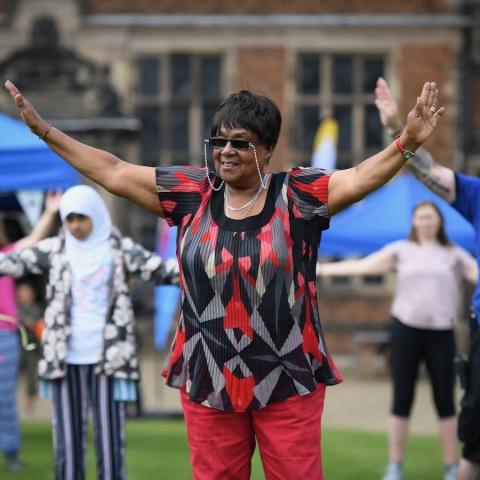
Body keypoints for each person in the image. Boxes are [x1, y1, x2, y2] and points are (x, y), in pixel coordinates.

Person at [4, 78, 443, 480]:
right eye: (219, 141)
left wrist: (406, 142)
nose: (226, 151)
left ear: (267, 149)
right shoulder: (193, 193)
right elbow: (115, 171)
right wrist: (45, 132)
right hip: (208, 375)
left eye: (241, 142)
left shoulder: (298, 196)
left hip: (287, 376)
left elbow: (362, 176)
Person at [0, 185, 178, 480]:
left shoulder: (119, 249)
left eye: (81, 218)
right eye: (69, 219)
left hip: (108, 358)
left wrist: (206, 261)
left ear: (96, 214)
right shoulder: (55, 249)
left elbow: (162, 270)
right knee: (67, 442)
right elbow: (9, 262)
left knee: (110, 439)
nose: (75, 226)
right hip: (65, 358)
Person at [317, 200, 477, 480]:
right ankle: (395, 466)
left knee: (446, 401)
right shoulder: (401, 251)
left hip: (442, 333)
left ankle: (452, 466)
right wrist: (320, 270)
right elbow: (364, 267)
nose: (426, 221)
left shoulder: (454, 254)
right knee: (402, 397)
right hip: (406, 331)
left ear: (439, 221)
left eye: (430, 217)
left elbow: (476, 275)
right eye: (420, 217)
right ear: (413, 222)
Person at [374, 77, 480, 480]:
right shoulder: (476, 195)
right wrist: (395, 130)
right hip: (471, 329)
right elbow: (428, 172)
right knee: (474, 429)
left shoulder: (452, 253)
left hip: (443, 330)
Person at [0, 191, 61, 471]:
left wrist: (50, 212)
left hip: (5, 336)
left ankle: (11, 452)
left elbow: (32, 241)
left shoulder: (7, 257)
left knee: (5, 397)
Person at [17, 280, 44, 416]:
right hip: (17, 348)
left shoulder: (38, 309)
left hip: (33, 350)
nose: (26, 295)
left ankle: (28, 408)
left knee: (31, 380)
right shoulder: (15, 308)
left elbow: (41, 328)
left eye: (28, 292)